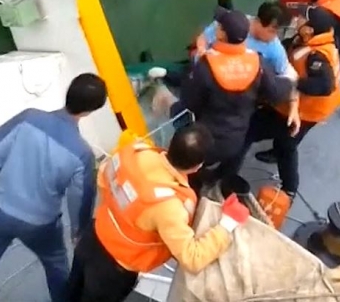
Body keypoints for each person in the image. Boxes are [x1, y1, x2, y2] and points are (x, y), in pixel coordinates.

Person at [0, 73, 108, 302]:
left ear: (68, 92)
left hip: (1, 211)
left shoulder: (29, 118)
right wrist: (77, 233)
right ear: (91, 111)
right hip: (41, 224)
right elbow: (80, 198)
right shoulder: (82, 154)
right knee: (56, 265)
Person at [67, 123, 251, 302]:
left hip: (93, 236)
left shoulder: (135, 152)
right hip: (115, 267)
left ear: (171, 143)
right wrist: (227, 223)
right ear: (198, 166)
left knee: (71, 291)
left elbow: (104, 178)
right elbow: (192, 258)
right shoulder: (169, 205)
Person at [178, 8, 296, 192]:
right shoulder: (258, 64)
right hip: (236, 139)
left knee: (191, 172)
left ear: (221, 34)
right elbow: (277, 91)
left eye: (219, 26)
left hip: (204, 138)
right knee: (227, 165)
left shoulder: (206, 66)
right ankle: (218, 184)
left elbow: (190, 102)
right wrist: (291, 87)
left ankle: (193, 189)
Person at [246, 6, 340, 201]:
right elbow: (285, 48)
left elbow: (324, 85)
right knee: (286, 143)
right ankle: (287, 181)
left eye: (302, 18)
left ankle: (289, 189)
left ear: (309, 29)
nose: (297, 19)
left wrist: (292, 81)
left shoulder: (317, 56)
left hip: (305, 111)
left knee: (256, 130)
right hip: (302, 108)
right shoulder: (313, 40)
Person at [193, 0, 296, 80]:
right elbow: (203, 39)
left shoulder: (274, 48)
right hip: (211, 75)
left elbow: (287, 73)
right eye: (272, 31)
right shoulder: (233, 22)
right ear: (259, 21)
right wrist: (202, 54)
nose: (274, 37)